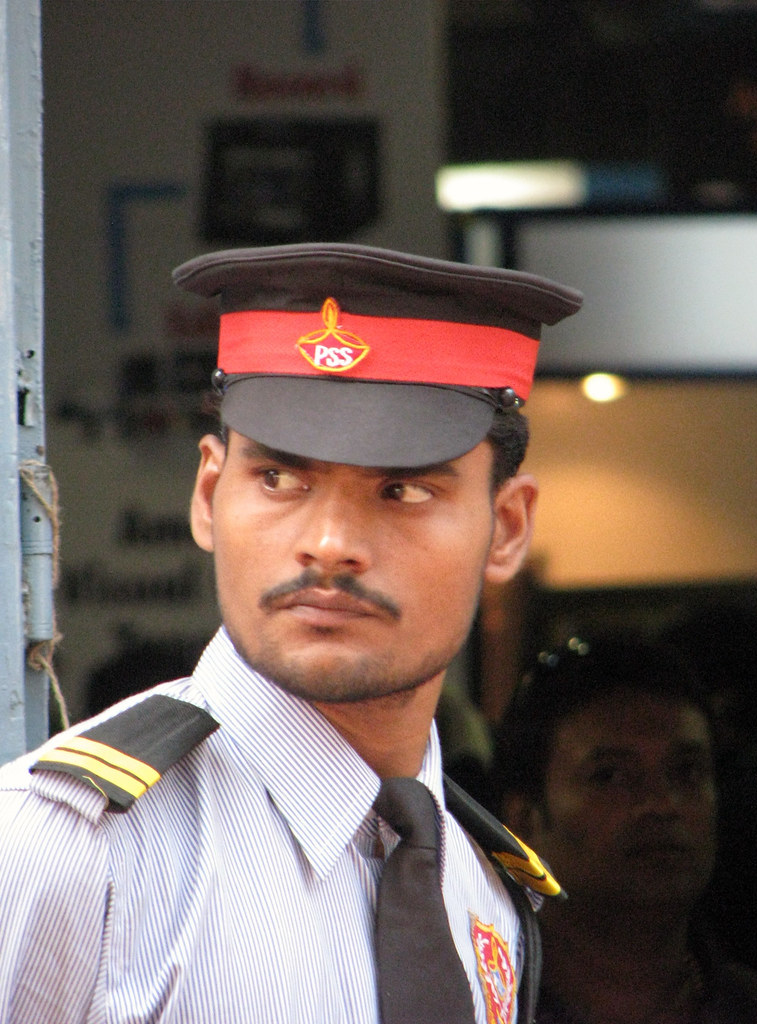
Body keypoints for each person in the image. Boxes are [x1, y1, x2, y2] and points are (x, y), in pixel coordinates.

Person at [0, 242, 581, 1024]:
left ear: (506, 530)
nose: (330, 541)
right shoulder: (68, 850)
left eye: (402, 489)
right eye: (279, 478)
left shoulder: (480, 884)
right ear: (209, 495)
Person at [493, 634, 757, 1024]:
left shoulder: (750, 1006)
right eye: (611, 775)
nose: (661, 804)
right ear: (524, 821)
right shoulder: (472, 1006)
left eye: (686, 772)